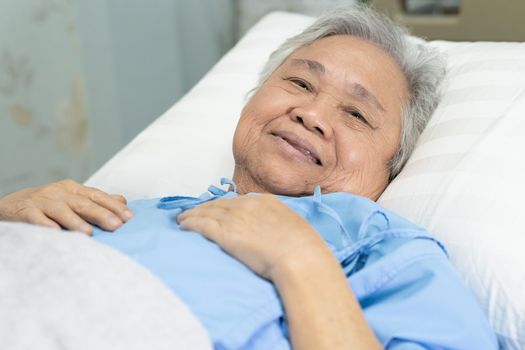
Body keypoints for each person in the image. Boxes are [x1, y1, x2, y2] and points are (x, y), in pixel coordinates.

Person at [0, 4, 498, 349]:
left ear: (394, 165)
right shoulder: (141, 207)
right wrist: (10, 218)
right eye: (300, 82)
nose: (311, 114)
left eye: (356, 115)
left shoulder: (387, 251)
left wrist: (298, 259)